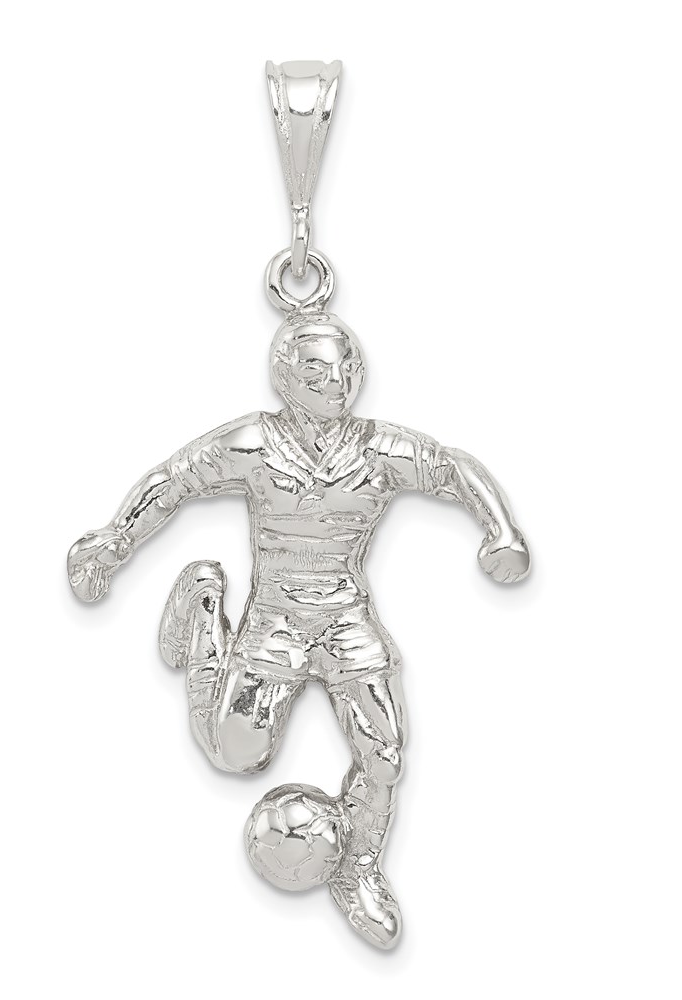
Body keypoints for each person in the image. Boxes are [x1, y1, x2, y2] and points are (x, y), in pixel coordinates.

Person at [68, 310, 530, 949]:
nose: (336, 382)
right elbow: (172, 481)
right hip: (277, 619)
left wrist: (501, 529)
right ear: (285, 377)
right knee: (235, 753)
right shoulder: (256, 444)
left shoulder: (376, 449)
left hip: (344, 618)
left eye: (346, 369)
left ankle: (359, 868)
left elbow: (453, 469)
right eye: (317, 371)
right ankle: (203, 605)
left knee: (385, 755)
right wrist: (117, 539)